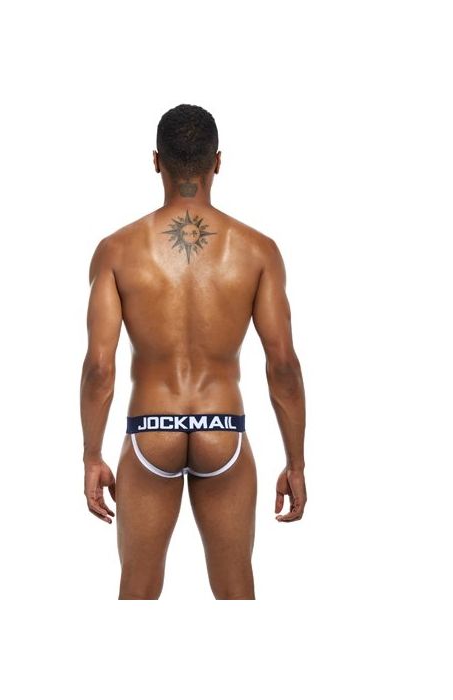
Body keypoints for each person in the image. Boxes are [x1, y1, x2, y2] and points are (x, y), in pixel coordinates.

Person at [80, 104, 307, 600]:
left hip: (151, 428)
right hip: (222, 426)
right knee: (236, 593)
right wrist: (296, 463)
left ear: (156, 161)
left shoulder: (117, 250)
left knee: (137, 594)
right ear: (218, 161)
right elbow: (283, 366)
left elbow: (99, 368)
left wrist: (92, 455)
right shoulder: (258, 250)